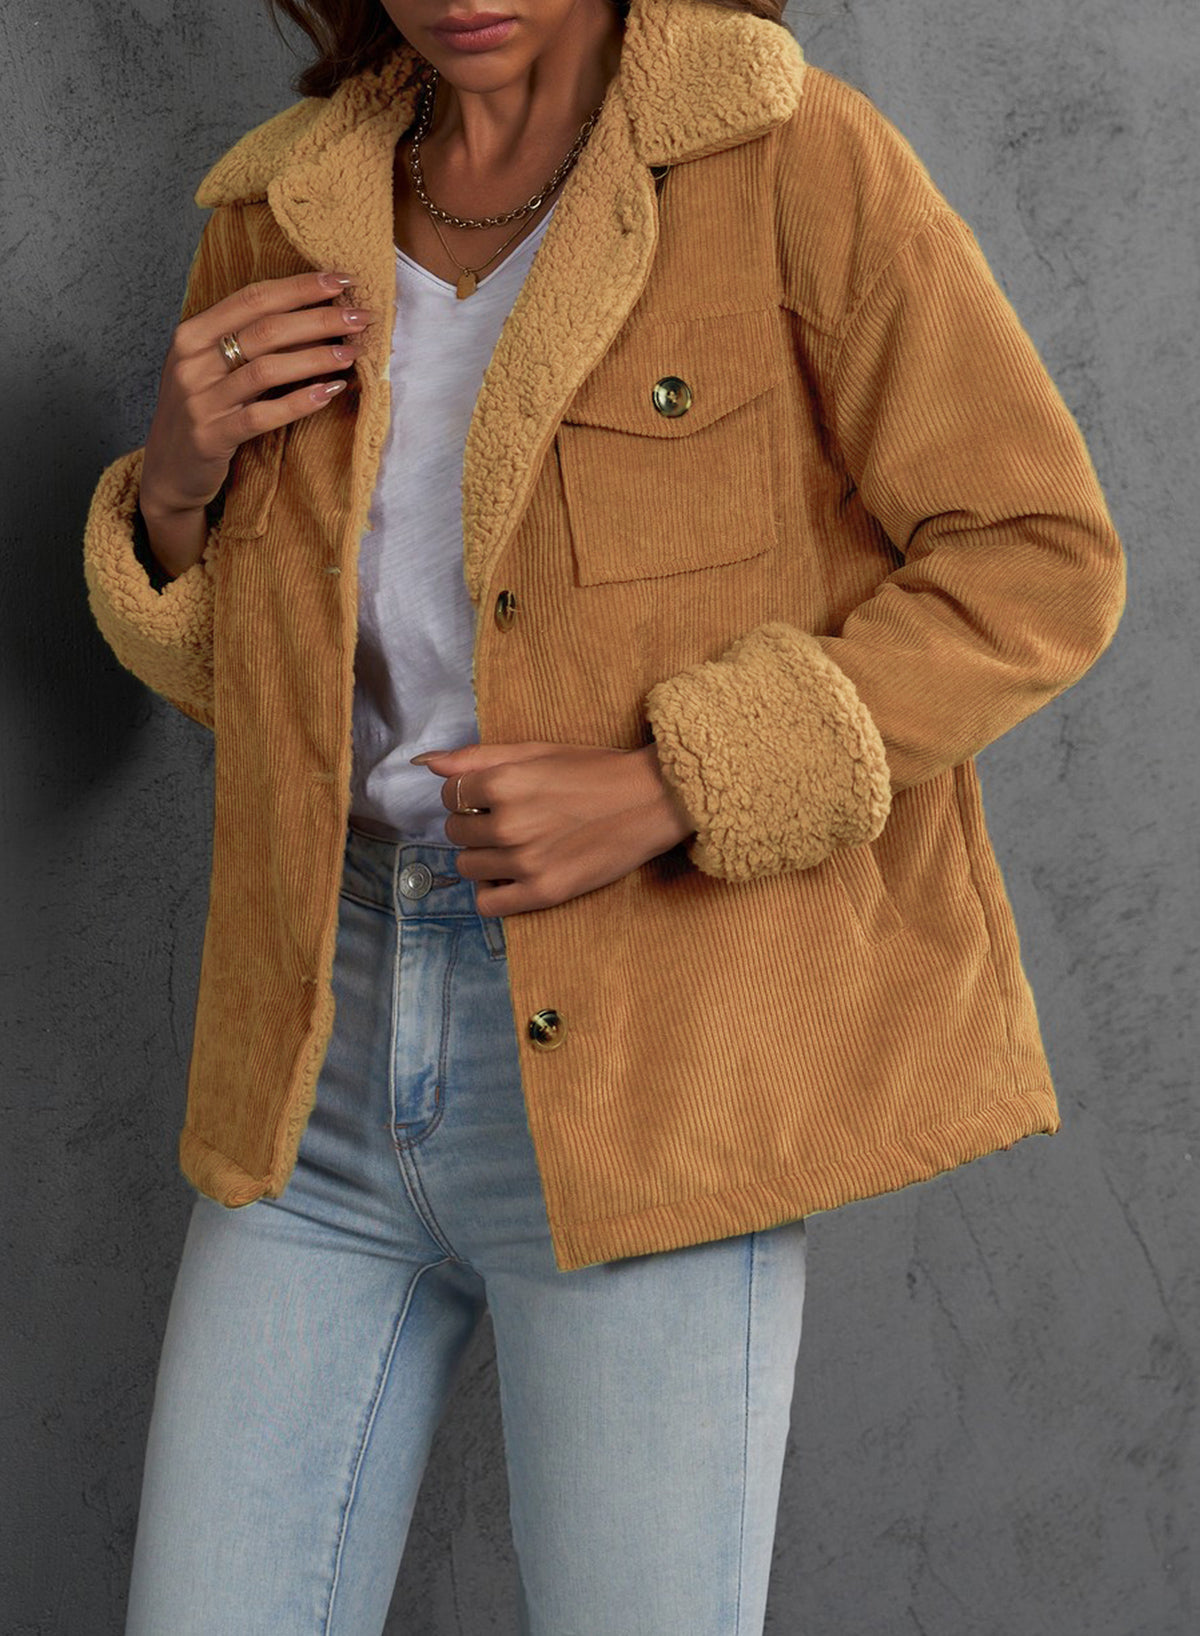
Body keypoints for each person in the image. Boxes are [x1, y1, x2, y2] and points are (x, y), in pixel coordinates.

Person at [81, 0, 1126, 1630]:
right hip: (313, 1068)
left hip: (651, 1061)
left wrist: (671, 782)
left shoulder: (788, 157)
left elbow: (1039, 556)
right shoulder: (280, 212)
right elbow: (265, 697)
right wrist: (171, 490)